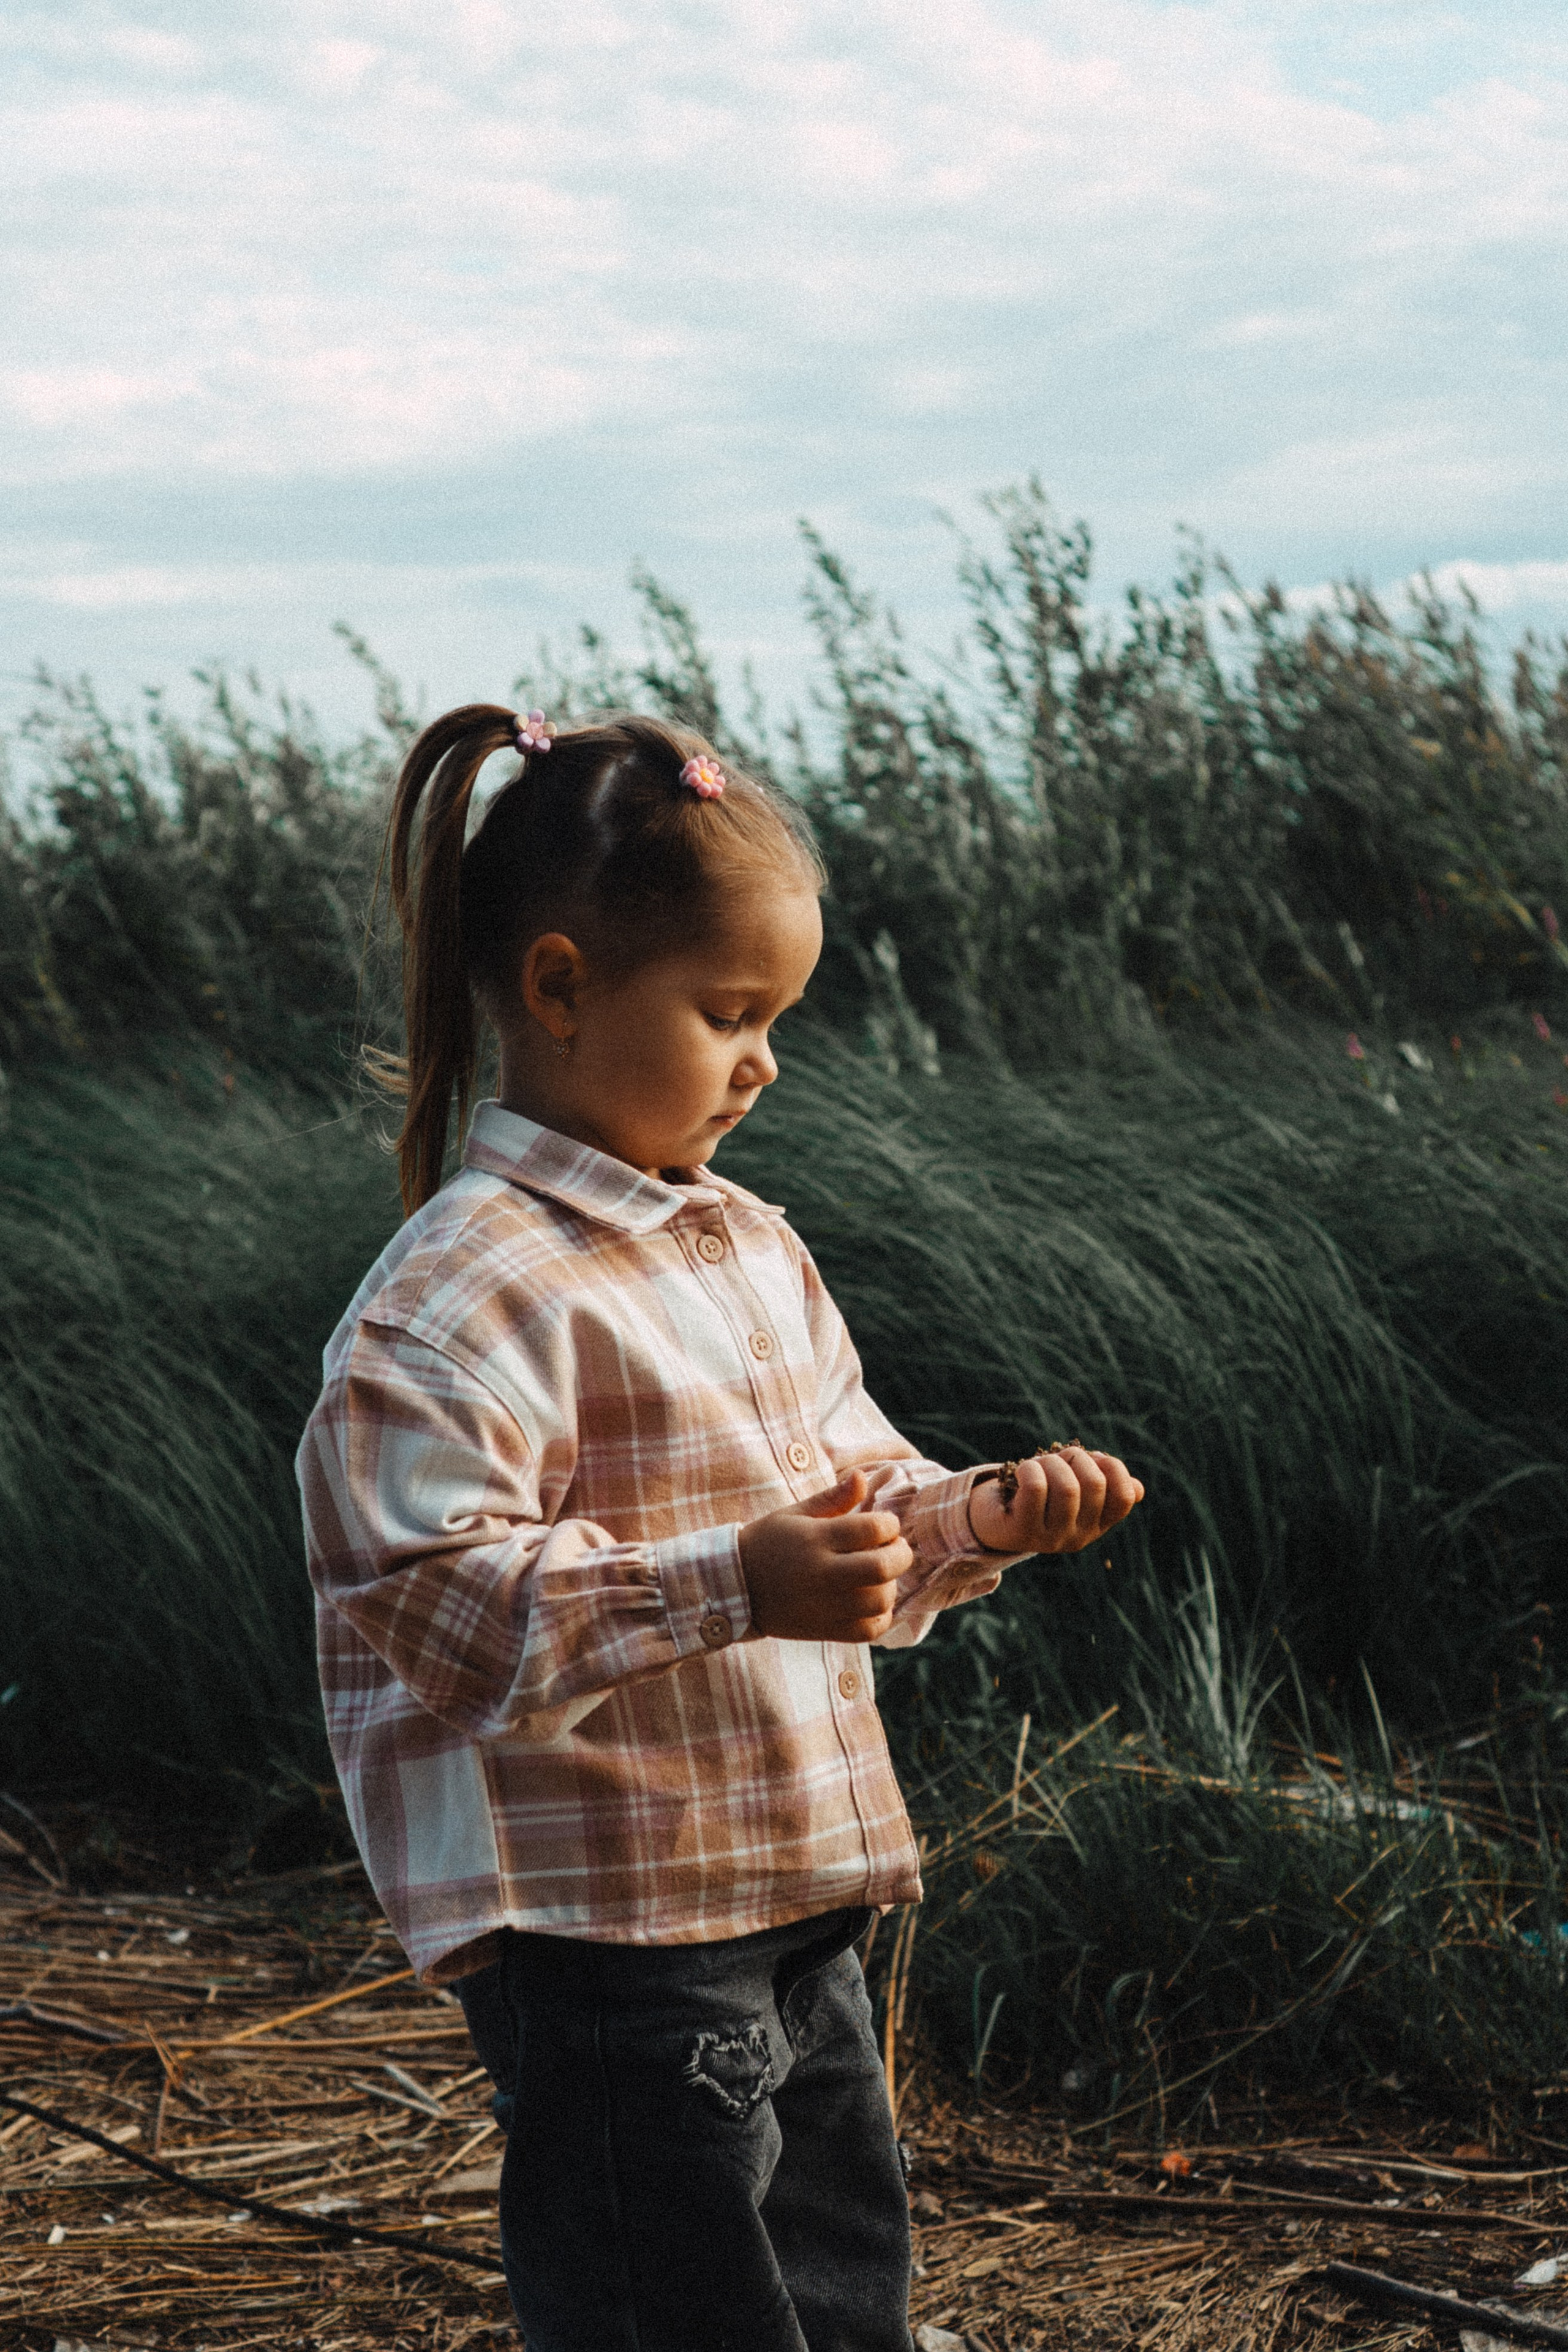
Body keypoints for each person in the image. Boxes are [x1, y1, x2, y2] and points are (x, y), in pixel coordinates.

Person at [297, 705, 1144, 2352]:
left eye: (775, 1021)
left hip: (797, 1889)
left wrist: (976, 1516)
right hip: (610, 1934)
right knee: (667, 2309)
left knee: (839, 2292)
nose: (762, 1063)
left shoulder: (747, 1246)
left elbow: (850, 1495)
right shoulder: (455, 1304)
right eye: (728, 1013)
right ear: (559, 989)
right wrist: (738, 1583)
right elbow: (447, 1611)